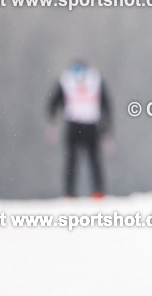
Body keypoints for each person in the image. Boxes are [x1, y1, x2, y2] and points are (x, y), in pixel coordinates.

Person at [47, 60, 112, 198]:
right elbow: (53, 103)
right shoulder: (69, 80)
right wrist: (52, 120)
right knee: (74, 160)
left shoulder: (91, 80)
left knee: (90, 160)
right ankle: (71, 193)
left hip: (89, 125)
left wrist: (106, 127)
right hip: (76, 124)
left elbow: (105, 104)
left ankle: (96, 191)